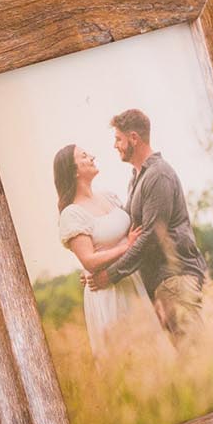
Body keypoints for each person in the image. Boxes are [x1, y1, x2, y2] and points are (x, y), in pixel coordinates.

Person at [87, 108, 209, 347]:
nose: (115, 146)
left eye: (118, 139)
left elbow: (151, 236)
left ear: (134, 138)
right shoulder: (136, 178)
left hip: (174, 279)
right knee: (188, 363)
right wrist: (96, 263)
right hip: (161, 285)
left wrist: (110, 276)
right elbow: (128, 233)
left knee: (197, 356)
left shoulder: (158, 175)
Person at [52, 145, 154, 357]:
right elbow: (89, 261)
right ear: (74, 171)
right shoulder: (72, 214)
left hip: (132, 279)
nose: (92, 156)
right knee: (129, 358)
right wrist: (127, 246)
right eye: (84, 155)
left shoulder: (109, 197)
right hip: (109, 291)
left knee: (152, 351)